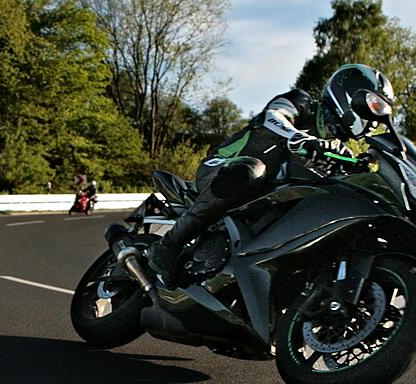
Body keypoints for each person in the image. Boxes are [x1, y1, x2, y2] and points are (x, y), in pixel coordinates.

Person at [147, 64, 396, 285]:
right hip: (223, 169)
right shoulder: (303, 104)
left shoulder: (338, 150)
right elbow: (273, 116)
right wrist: (301, 138)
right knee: (253, 171)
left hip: (263, 203)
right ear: (349, 94)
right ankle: (168, 245)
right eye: (372, 106)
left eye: (378, 114)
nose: (372, 121)